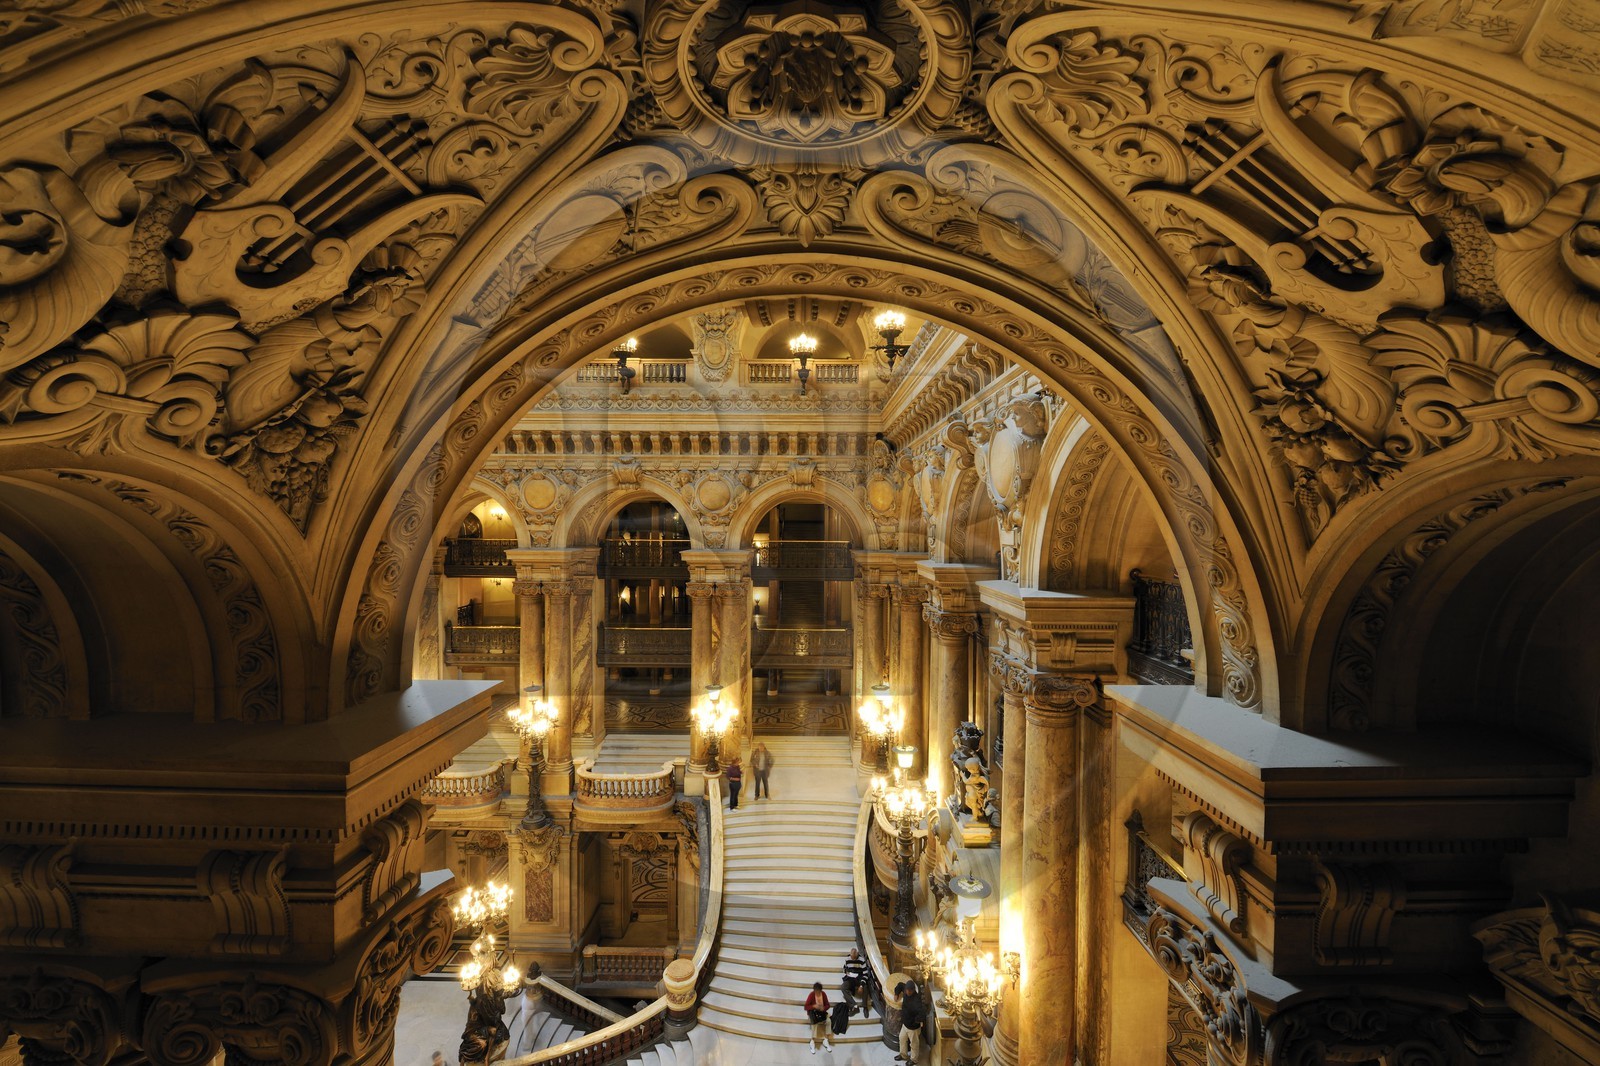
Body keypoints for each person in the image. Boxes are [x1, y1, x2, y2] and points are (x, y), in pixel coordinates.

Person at [897, 980, 926, 1063]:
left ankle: (914, 1059)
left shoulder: (916, 1000)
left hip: (913, 1028)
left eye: (910, 990)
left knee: (914, 1044)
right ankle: (903, 1055)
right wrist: (896, 993)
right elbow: (900, 984)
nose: (907, 992)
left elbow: (922, 1014)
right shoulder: (905, 990)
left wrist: (915, 1022)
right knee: (901, 1038)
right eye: (907, 990)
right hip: (905, 1024)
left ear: (913, 990)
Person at [804, 981, 833, 1054]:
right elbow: (806, 1007)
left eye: (818, 991)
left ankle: (826, 1040)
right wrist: (814, 1006)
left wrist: (824, 1008)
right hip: (813, 1014)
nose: (817, 993)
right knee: (814, 1023)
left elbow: (828, 1005)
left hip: (821, 1013)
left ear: (821, 990)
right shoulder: (811, 995)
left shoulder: (823, 994)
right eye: (816, 991)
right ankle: (812, 1041)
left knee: (829, 1021)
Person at [841, 947, 870, 1017]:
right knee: (843, 987)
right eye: (852, 957)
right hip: (851, 977)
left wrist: (861, 986)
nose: (853, 959)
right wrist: (846, 972)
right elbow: (844, 968)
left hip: (859, 977)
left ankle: (865, 1006)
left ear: (857, 954)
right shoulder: (847, 959)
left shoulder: (861, 960)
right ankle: (854, 1006)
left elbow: (865, 974)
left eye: (854, 958)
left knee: (865, 987)